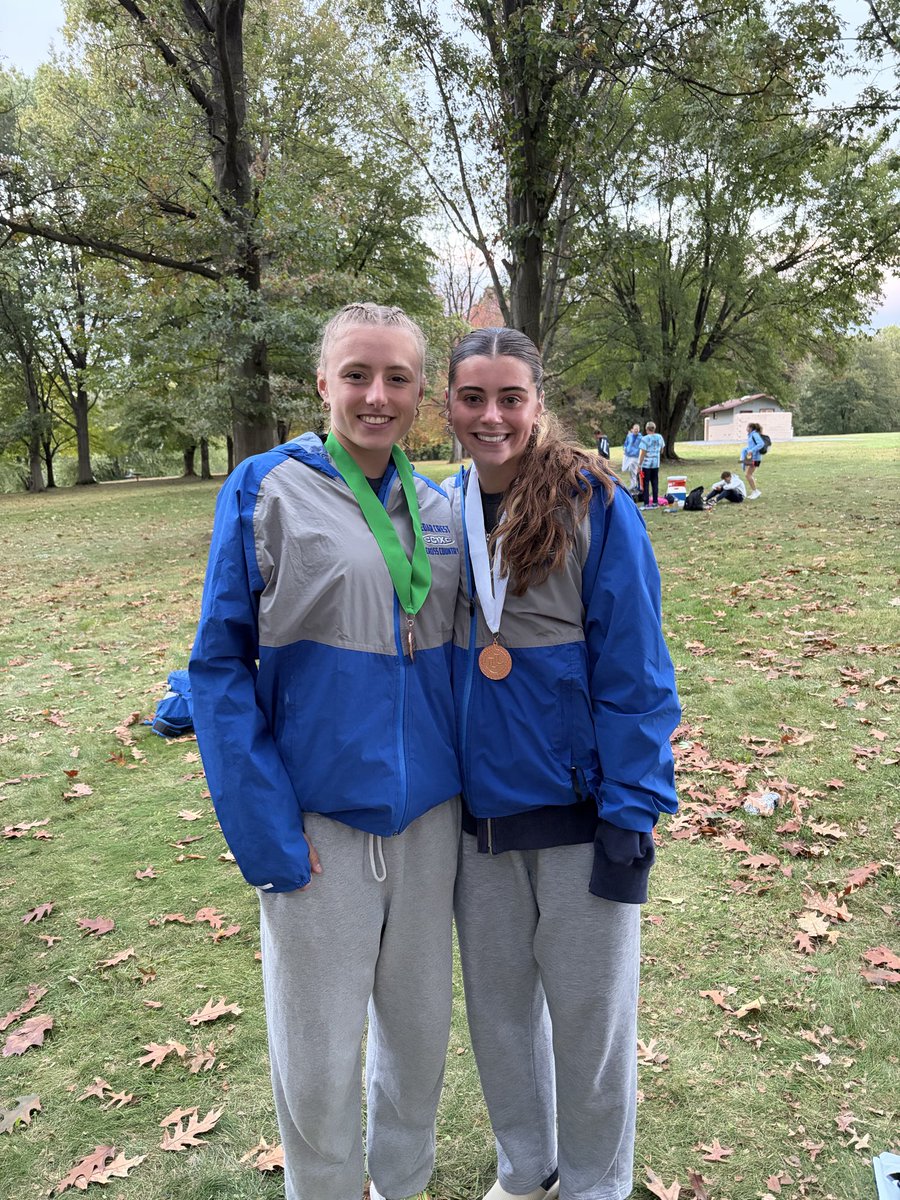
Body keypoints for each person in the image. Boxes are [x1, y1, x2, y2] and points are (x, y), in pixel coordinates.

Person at [189, 303, 462, 1200]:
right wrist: (265, 833)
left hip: (430, 824)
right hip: (315, 828)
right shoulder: (265, 487)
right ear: (322, 383)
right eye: (357, 375)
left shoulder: (438, 505)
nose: (376, 396)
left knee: (418, 1045)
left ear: (421, 392)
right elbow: (219, 670)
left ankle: (403, 1185)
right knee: (316, 1062)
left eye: (396, 378)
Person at [444, 328, 680, 1200]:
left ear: (539, 403)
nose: (493, 415)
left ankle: (593, 1186)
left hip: (584, 820)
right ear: (449, 407)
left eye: (512, 397)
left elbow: (638, 671)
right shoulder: (438, 511)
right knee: (500, 1024)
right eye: (474, 398)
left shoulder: (594, 504)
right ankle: (526, 1171)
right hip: (478, 824)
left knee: (590, 1027)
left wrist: (631, 812)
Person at [637, 420, 665, 507]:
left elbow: (643, 453)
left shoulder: (645, 439)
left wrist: (639, 465)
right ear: (654, 428)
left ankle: (646, 502)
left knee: (646, 483)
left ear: (646, 429)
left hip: (646, 464)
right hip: (656, 464)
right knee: (655, 482)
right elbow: (662, 449)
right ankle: (655, 501)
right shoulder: (659, 437)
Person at [741, 422, 765, 498]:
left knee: (748, 475)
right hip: (751, 457)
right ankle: (755, 491)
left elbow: (761, 444)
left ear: (751, 428)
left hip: (755, 458)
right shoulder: (751, 435)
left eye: (747, 427)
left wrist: (752, 450)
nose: (746, 429)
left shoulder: (755, 435)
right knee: (748, 474)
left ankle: (755, 491)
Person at [621, 422, 642, 490]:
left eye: (637, 429)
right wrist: (625, 448)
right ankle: (633, 483)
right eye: (635, 429)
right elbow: (626, 443)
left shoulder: (641, 437)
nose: (636, 430)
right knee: (624, 469)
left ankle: (633, 484)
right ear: (632, 429)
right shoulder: (629, 436)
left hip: (635, 456)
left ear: (639, 430)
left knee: (634, 471)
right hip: (627, 455)